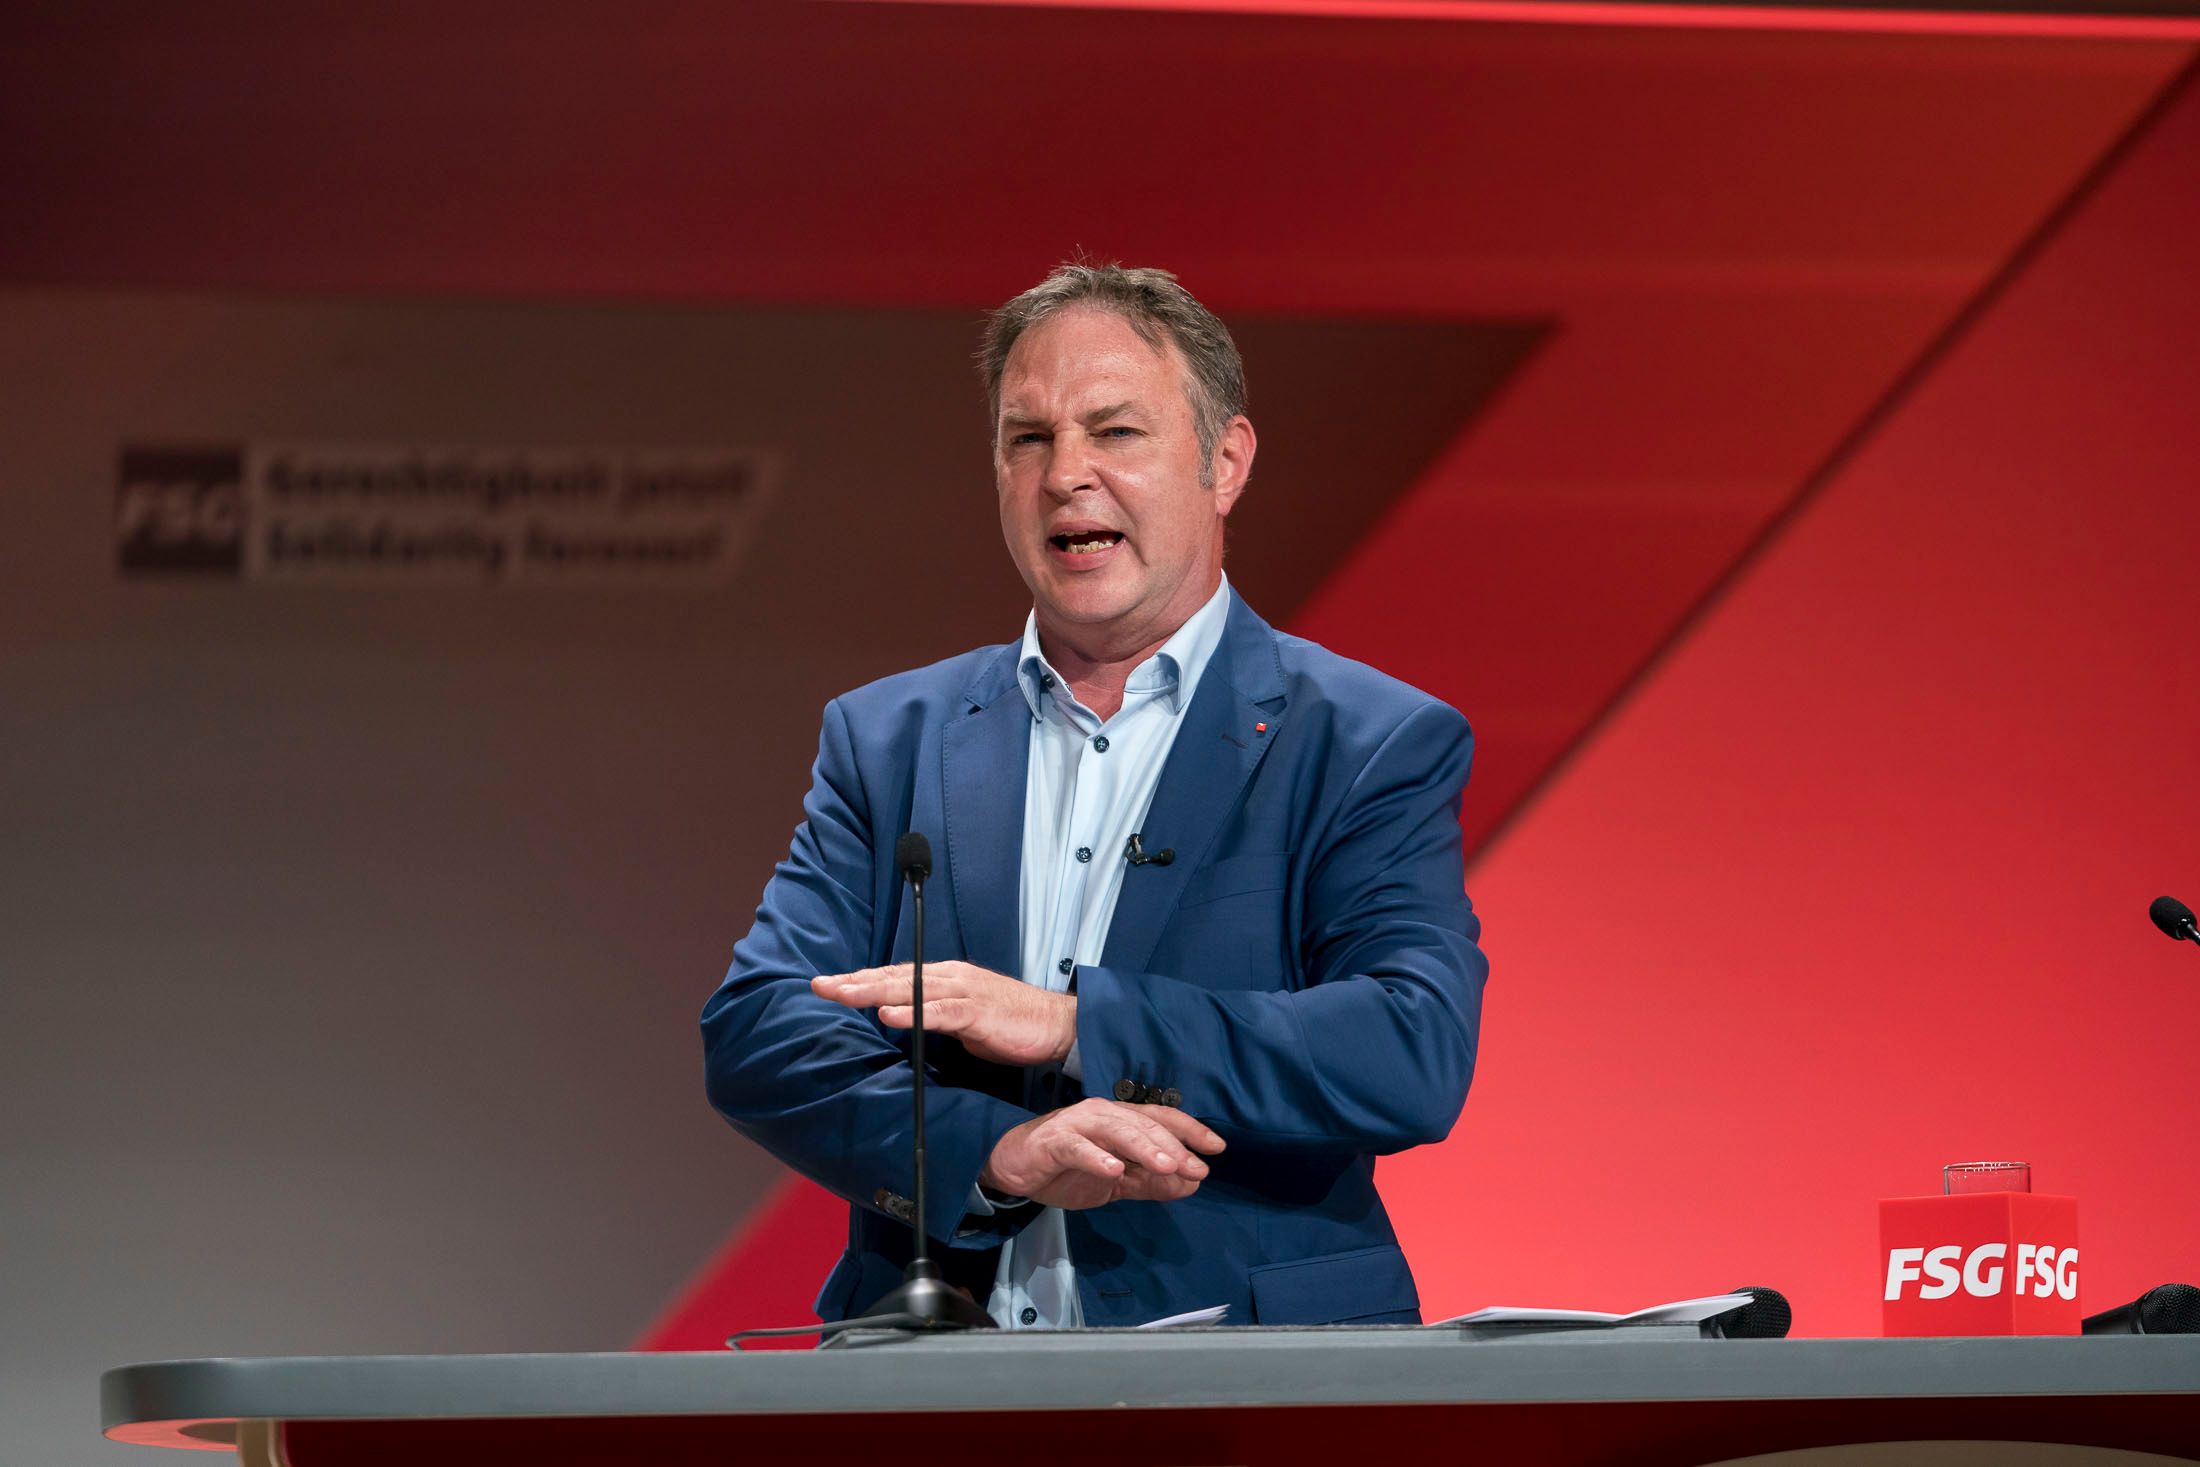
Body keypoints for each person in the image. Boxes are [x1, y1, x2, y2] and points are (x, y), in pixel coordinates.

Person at [701, 262, 1487, 1330]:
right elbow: (762, 1031)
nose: (1065, 474)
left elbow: (1407, 1047)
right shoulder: (890, 738)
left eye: (1115, 432)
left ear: (1224, 462)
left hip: (1255, 1382)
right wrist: (996, 1157)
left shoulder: (1363, 740)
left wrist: (1077, 1026)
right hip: (931, 1375)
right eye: (1028, 439)